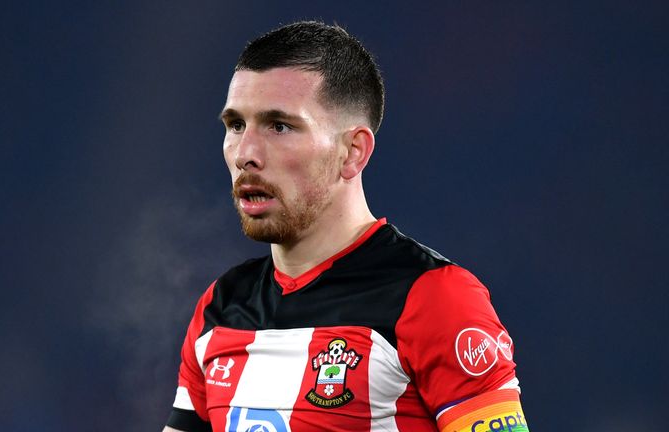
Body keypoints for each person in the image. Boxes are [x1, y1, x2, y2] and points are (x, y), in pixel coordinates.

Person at [163, 21, 528, 432]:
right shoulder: (221, 307)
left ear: (353, 152)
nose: (246, 153)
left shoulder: (434, 297)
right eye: (236, 125)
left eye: (279, 126)